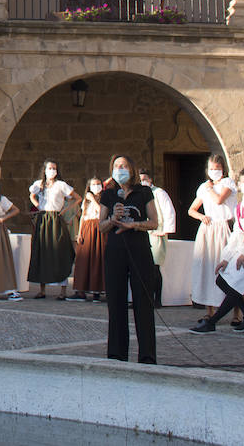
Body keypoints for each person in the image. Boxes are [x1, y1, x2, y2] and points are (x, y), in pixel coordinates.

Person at [190, 168, 244, 334]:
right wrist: (226, 257)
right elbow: (238, 232)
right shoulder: (241, 206)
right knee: (221, 280)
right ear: (240, 184)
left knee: (236, 284)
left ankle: (212, 322)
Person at [100, 154, 160, 364]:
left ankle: (147, 355)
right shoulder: (108, 195)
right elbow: (101, 226)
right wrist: (113, 219)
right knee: (115, 303)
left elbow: (154, 222)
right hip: (115, 251)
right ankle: (117, 354)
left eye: (124, 165)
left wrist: (133, 225)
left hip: (139, 250)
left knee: (143, 302)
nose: (120, 169)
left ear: (132, 169)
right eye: (117, 166)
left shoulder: (143, 192)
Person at [188, 154, 238, 323]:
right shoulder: (204, 187)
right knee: (207, 268)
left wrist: (210, 189)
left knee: (228, 269)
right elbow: (192, 209)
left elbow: (219, 201)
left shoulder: (227, 183)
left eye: (217, 169)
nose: (214, 172)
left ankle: (236, 313)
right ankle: (209, 310)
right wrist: (201, 217)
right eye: (211, 169)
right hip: (208, 229)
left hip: (224, 226)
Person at [28, 159, 77, 299]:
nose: (52, 171)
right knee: (42, 252)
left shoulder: (61, 185)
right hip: (43, 218)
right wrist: (38, 205)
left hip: (55, 218)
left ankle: (62, 290)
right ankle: (42, 290)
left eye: (54, 168)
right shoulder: (39, 184)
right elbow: (32, 195)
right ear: (45, 170)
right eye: (49, 168)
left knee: (59, 251)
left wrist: (64, 210)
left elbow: (77, 198)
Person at [140, 168, 177, 308]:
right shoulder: (139, 194)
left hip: (156, 232)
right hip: (143, 232)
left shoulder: (159, 193)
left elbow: (168, 211)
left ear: (150, 180)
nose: (143, 182)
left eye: (145, 179)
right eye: (140, 179)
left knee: (154, 267)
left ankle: (157, 299)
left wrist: (165, 230)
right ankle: (144, 298)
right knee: (142, 268)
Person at [71, 178, 106, 303]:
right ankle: (80, 290)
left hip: (98, 228)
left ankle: (97, 291)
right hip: (86, 227)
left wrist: (93, 199)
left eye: (98, 184)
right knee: (83, 259)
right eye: (93, 184)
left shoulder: (104, 198)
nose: (96, 186)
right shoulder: (86, 201)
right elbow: (83, 216)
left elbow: (102, 212)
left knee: (97, 260)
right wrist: (79, 233)